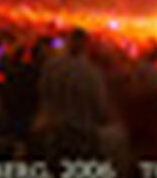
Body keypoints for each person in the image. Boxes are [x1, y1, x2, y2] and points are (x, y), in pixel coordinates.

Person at [37, 28, 109, 161]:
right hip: (80, 133)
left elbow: (43, 93)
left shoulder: (51, 67)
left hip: (54, 130)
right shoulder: (91, 74)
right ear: (86, 46)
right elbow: (99, 106)